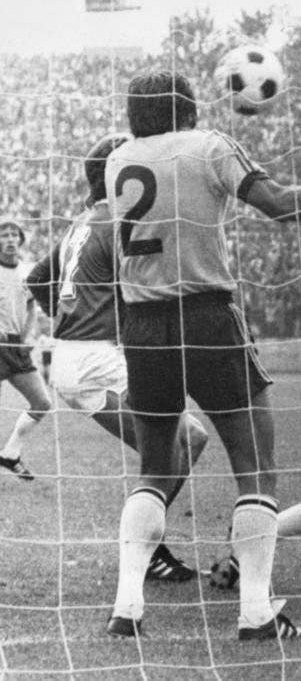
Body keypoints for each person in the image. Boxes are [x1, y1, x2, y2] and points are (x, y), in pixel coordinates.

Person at [103, 70, 301, 641]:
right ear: (186, 108)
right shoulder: (210, 144)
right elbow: (282, 207)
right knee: (255, 466)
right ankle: (256, 612)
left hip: (141, 323)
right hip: (207, 314)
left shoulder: (118, 160)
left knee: (153, 468)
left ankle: (126, 605)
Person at [26, 132, 210, 582]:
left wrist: (67, 318)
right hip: (92, 361)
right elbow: (141, 295)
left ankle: (149, 546)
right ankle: (145, 551)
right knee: (169, 449)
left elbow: (37, 280)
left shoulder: (83, 222)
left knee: (192, 438)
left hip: (84, 357)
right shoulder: (118, 225)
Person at [0, 217, 52, 481]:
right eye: (4, 234)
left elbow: (32, 305)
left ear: (20, 239)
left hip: (17, 347)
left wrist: (28, 334)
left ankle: (10, 453)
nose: (9, 239)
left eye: (13, 234)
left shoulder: (27, 271)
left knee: (42, 402)